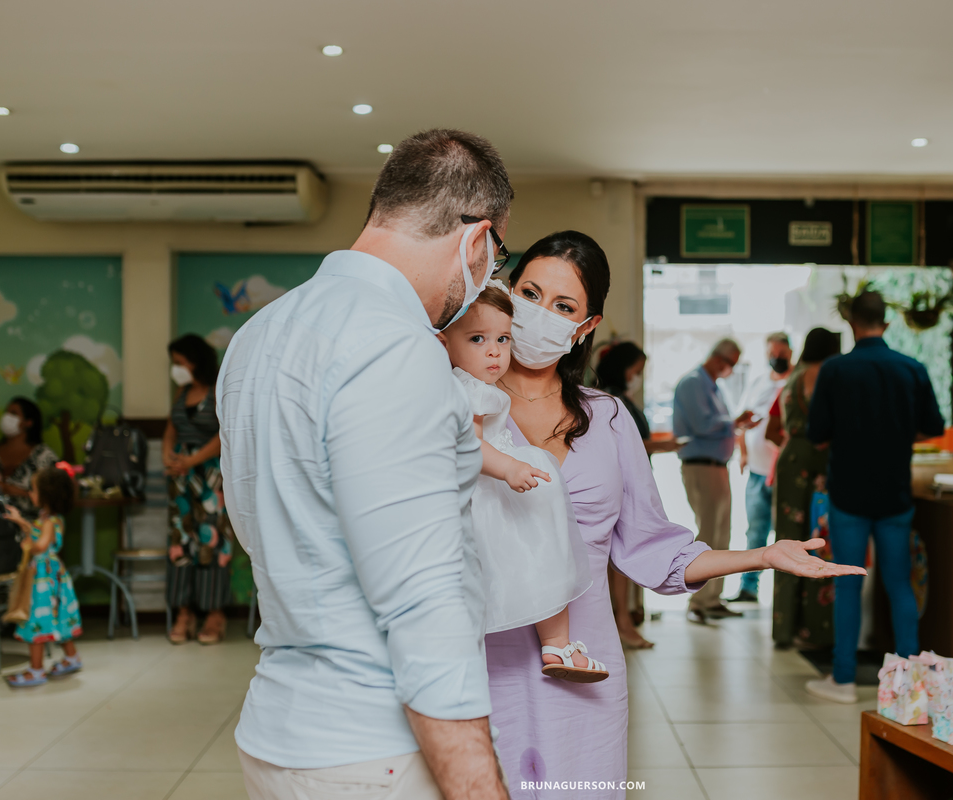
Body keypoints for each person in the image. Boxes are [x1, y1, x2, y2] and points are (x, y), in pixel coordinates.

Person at [486, 230, 864, 796]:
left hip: (581, 666)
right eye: (530, 293)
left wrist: (762, 555)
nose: (540, 315)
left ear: (585, 327)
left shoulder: (608, 418)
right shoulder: (459, 405)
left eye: (563, 306)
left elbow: (653, 548)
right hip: (479, 658)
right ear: (506, 291)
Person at [218, 129, 510, 800]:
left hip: (278, 732)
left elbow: (263, 527)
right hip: (374, 748)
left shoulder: (259, 333)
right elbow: (423, 600)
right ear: (476, 241)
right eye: (496, 259)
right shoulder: (396, 347)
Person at [437, 281, 602, 681]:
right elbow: (469, 447)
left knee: (540, 557)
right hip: (488, 491)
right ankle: (557, 643)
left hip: (493, 485)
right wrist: (510, 468)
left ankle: (556, 643)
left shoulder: (474, 386)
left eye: (503, 338)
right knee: (539, 556)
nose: (494, 351)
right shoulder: (468, 388)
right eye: (478, 339)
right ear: (444, 345)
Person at [804, 291, 944, 704]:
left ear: (851, 323)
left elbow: (817, 435)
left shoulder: (835, 370)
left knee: (847, 583)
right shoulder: (912, 368)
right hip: (896, 493)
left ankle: (843, 680)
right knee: (899, 584)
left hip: (848, 492)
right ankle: (908, 686)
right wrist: (899, 436)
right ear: (887, 322)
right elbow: (932, 426)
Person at [593, 340, 677, 649]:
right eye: (637, 370)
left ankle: (623, 621)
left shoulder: (621, 399)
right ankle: (621, 623)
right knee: (616, 559)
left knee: (623, 557)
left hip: (628, 485)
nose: (638, 375)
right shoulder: (608, 400)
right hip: (617, 486)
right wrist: (663, 446)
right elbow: (622, 447)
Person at [765, 327, 842, 648]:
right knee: (815, 542)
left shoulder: (793, 375)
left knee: (787, 543)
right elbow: (826, 421)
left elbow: (776, 428)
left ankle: (785, 628)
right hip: (812, 463)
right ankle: (814, 630)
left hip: (791, 459)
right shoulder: (821, 372)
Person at [672, 338, 757, 623]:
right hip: (701, 466)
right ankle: (698, 601)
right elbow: (703, 424)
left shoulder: (712, 386)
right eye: (730, 363)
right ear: (718, 357)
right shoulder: (694, 383)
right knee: (708, 534)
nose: (730, 369)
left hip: (717, 467)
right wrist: (735, 422)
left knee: (721, 535)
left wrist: (736, 423)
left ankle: (712, 598)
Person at [163, 334, 233, 646]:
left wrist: (193, 459)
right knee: (181, 541)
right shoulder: (182, 392)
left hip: (210, 478)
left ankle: (215, 614)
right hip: (181, 481)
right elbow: (171, 429)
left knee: (212, 541)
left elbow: (224, 434)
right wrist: (169, 454)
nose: (176, 368)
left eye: (180, 362)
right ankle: (184, 613)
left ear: (196, 361)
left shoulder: (220, 391)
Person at [2, 465, 83, 687]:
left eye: (34, 490)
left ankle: (36, 671)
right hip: (52, 576)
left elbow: (42, 545)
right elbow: (40, 536)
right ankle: (71, 657)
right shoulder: (49, 517)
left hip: (43, 581)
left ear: (47, 495)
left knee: (36, 620)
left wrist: (29, 544)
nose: (30, 493)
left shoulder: (48, 521)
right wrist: (22, 523)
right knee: (57, 618)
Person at [731, 331, 793, 604]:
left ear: (790, 352)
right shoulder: (757, 382)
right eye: (771, 353)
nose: (776, 358)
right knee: (755, 531)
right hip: (757, 471)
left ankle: (786, 593)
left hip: (786, 474)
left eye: (780, 353)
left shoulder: (795, 382)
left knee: (787, 533)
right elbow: (743, 422)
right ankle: (748, 588)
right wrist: (743, 453)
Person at [0, 398, 59, 520]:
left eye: (13, 413)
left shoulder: (43, 455)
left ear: (28, 422)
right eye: (6, 412)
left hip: (31, 527)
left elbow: (54, 495)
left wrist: (12, 490)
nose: (7, 416)